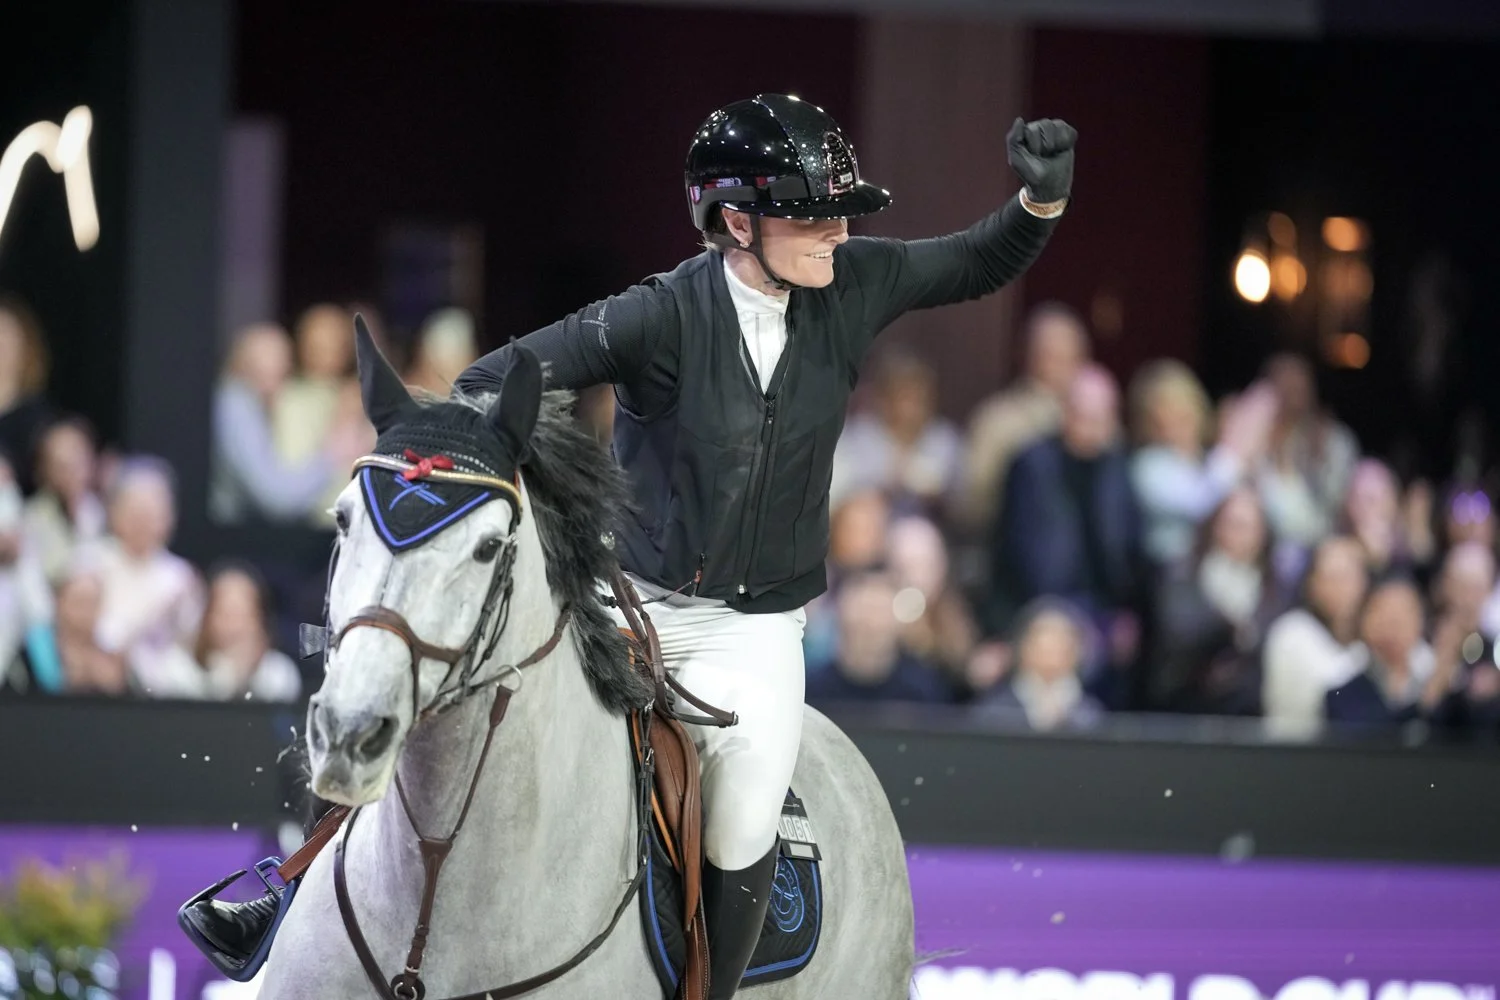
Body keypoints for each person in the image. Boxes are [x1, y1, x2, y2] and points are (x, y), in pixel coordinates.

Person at [190, 93, 1075, 995]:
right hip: (628, 602)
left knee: (741, 818)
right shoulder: (658, 315)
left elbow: (972, 261)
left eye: (838, 213)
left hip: (752, 633)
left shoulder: (852, 285)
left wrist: (1038, 203)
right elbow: (493, 380)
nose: (837, 231)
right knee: (429, 689)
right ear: (737, 220)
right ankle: (292, 889)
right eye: (812, 214)